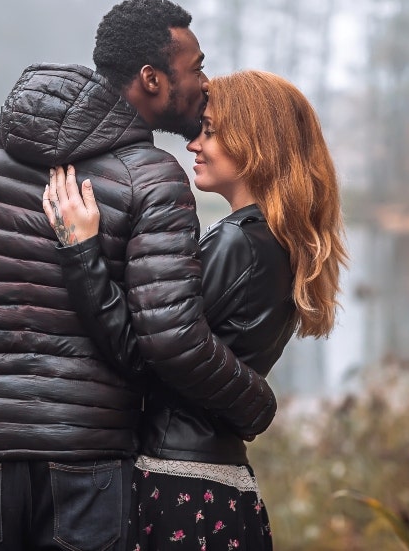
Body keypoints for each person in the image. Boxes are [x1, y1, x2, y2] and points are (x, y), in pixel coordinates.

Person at [0, 0, 276, 551]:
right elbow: (165, 340)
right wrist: (255, 402)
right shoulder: (154, 178)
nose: (205, 84)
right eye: (195, 67)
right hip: (90, 461)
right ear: (152, 79)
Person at [42, 70, 347, 550]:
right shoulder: (278, 244)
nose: (193, 145)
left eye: (210, 130)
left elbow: (145, 349)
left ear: (255, 141)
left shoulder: (238, 242)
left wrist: (80, 250)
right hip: (220, 483)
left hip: (179, 488)